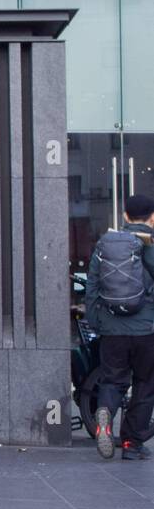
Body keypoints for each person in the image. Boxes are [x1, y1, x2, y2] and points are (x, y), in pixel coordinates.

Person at [88, 193, 154, 461]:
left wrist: (98, 323)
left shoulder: (106, 246)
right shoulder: (150, 246)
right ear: (152, 217)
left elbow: (92, 287)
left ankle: (105, 412)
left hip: (112, 329)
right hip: (146, 331)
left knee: (112, 380)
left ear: (125, 216)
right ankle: (131, 444)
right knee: (145, 384)